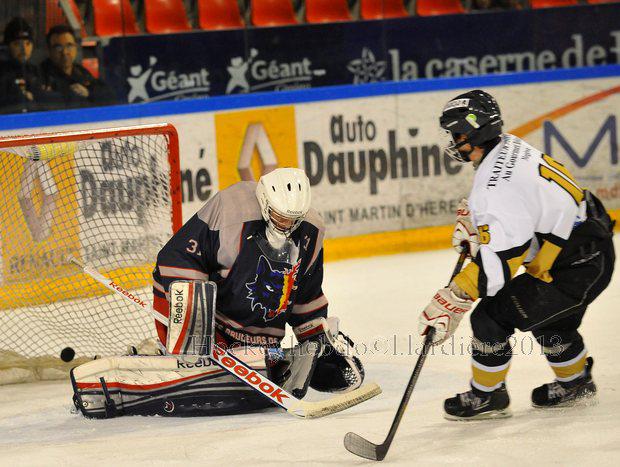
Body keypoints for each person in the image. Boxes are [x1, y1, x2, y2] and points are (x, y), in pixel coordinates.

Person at [72, 168, 366, 418]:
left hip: (256, 342)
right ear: (265, 203)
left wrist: (315, 338)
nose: (287, 226)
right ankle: (164, 365)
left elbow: (305, 290)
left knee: (267, 366)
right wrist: (198, 329)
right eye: (280, 217)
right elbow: (176, 259)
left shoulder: (311, 230)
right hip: (211, 321)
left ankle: (262, 361)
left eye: (294, 219)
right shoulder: (230, 210)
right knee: (208, 367)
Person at [418, 90, 615, 420]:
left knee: (490, 317)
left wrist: (454, 297)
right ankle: (575, 382)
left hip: (576, 267)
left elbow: (498, 269)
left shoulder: (494, 188)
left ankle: (487, 395)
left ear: (471, 133)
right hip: (590, 251)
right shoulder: (508, 145)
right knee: (550, 319)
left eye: (455, 134)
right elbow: (521, 206)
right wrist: (480, 226)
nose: (452, 141)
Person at [40, 24, 115, 109]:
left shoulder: (80, 71)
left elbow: (109, 94)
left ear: (75, 47)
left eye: (69, 46)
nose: (65, 52)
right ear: (49, 50)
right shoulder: (42, 74)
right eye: (58, 47)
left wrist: (89, 93)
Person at [0, 17, 55, 113]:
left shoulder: (38, 70)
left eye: (28, 43)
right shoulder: (3, 73)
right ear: (7, 47)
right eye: (17, 44)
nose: (23, 49)